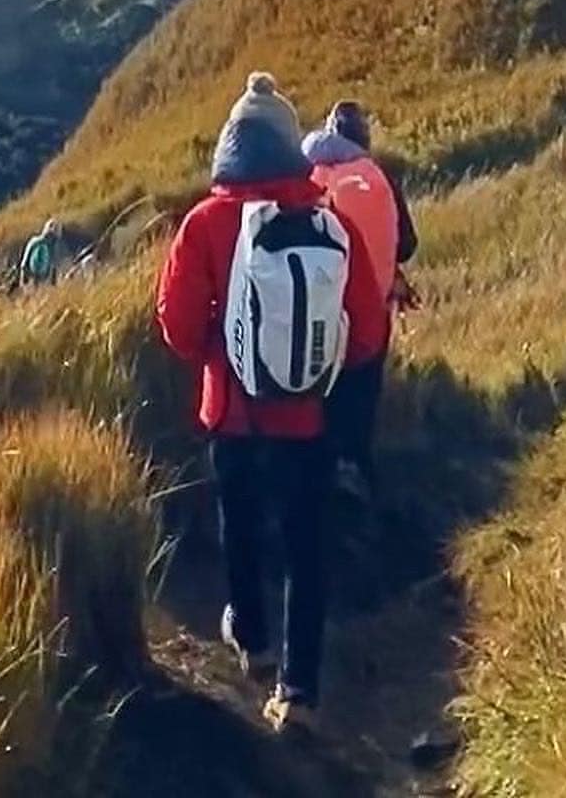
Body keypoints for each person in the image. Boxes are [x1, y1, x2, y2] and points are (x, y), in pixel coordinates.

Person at [157, 73, 388, 736]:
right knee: (304, 546)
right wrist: (314, 365)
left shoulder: (205, 224)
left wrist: (221, 355)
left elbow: (174, 322)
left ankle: (251, 640)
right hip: (306, 419)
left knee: (240, 525)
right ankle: (299, 691)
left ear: (232, 150)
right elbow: (368, 332)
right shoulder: (330, 222)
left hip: (231, 413)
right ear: (291, 148)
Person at [303, 100, 418, 500]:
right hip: (372, 311)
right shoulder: (380, 176)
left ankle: (324, 472)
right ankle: (357, 467)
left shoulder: (306, 174)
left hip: (317, 309)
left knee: (321, 394)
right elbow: (406, 245)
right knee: (363, 391)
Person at [20, 218, 64, 286]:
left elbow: (54, 266)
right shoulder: (36, 242)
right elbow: (24, 264)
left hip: (43, 282)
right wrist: (24, 282)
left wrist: (54, 283)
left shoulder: (52, 247)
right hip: (31, 280)